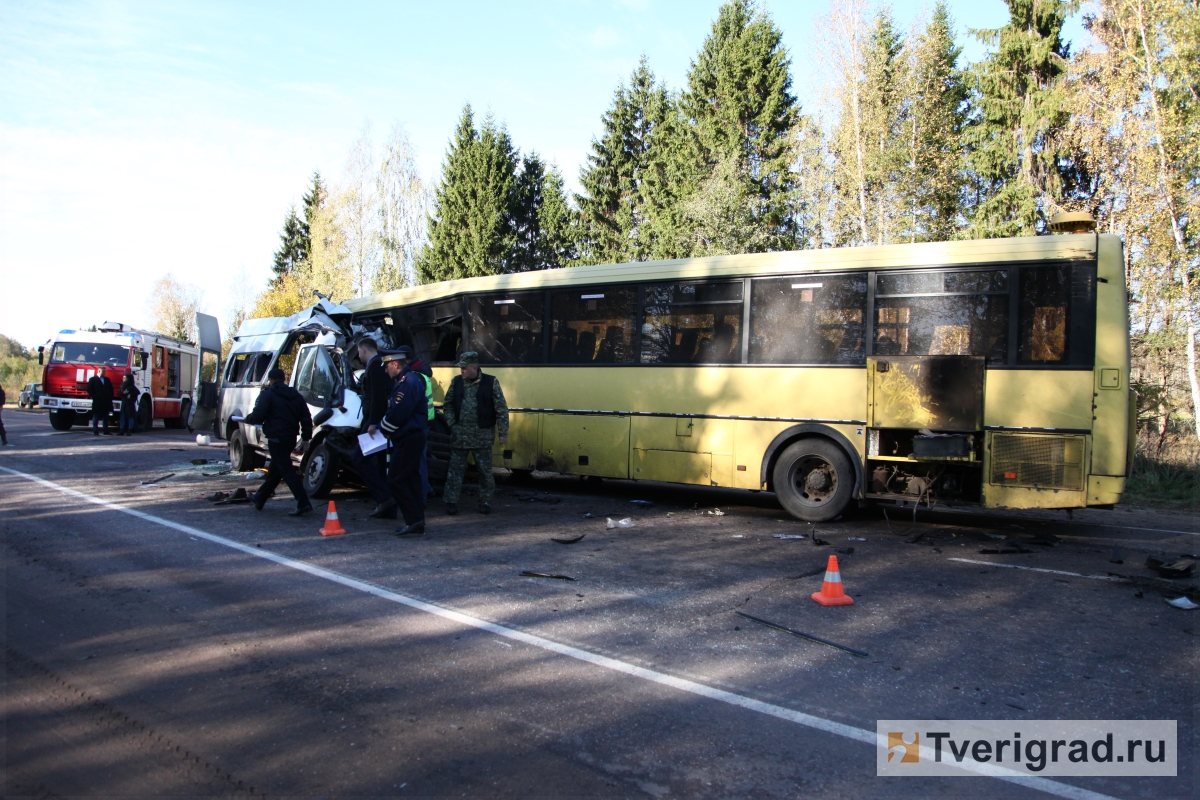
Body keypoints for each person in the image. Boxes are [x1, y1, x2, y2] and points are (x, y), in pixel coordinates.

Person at [442, 352, 508, 515]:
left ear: (474, 367)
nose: (462, 371)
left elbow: (501, 408)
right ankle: (451, 501)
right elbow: (448, 404)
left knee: (485, 471)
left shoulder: (491, 382)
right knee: (455, 471)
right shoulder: (456, 382)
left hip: (482, 436)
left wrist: (503, 431)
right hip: (460, 436)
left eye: (464, 368)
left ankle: (485, 501)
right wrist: (452, 424)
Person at [243, 367, 314, 516]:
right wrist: (306, 437)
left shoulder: (268, 394)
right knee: (276, 470)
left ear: (271, 380)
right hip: (290, 438)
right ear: (283, 380)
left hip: (275, 438)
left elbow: (258, 415)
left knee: (287, 471)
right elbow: (306, 417)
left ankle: (303, 502)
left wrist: (248, 419)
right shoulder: (296, 395)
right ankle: (260, 498)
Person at [379, 351, 428, 536]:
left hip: (408, 437)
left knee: (395, 480)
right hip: (412, 436)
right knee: (411, 478)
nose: (385, 370)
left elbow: (399, 413)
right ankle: (417, 521)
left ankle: (413, 520)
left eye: (387, 366)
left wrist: (384, 429)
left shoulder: (406, 383)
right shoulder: (407, 381)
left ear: (396, 364)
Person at [350, 337, 396, 519]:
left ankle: (385, 498)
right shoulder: (379, 364)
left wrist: (373, 422)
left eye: (359, 352)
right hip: (376, 420)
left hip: (374, 422)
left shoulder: (375, 365)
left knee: (359, 458)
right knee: (378, 463)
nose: (358, 356)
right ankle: (386, 506)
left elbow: (377, 396)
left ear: (362, 350)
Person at [399, 345, 435, 498]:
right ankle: (425, 489)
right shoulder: (421, 374)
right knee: (419, 459)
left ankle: (421, 494)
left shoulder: (415, 377)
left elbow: (409, 403)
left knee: (417, 461)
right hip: (425, 422)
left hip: (418, 423)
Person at [87, 366, 115, 436]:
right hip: (97, 401)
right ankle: (95, 431)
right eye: (103, 371)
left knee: (106, 416)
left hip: (106, 401)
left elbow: (111, 389)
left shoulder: (107, 379)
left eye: (105, 371)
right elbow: (89, 389)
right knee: (96, 416)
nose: (105, 373)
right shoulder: (93, 379)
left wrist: (110, 397)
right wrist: (94, 396)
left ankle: (106, 430)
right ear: (99, 371)